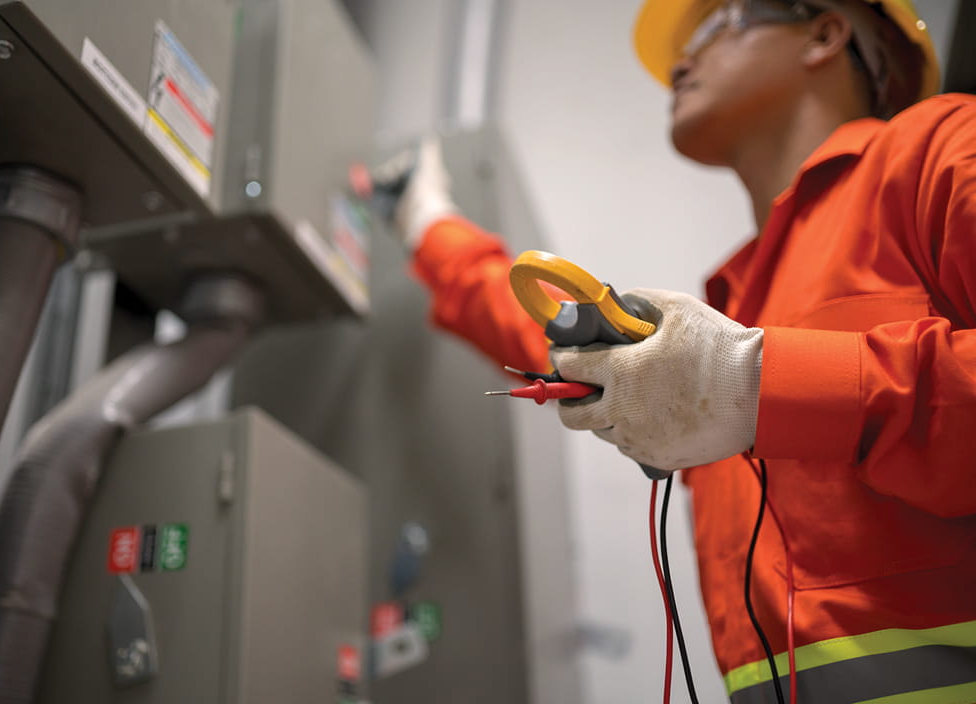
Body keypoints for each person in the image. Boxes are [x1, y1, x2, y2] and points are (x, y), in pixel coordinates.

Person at [379, 1, 976, 701]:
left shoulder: (942, 148)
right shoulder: (740, 299)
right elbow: (559, 338)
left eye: (715, 25)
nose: (679, 63)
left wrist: (762, 386)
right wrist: (430, 226)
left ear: (824, 31)